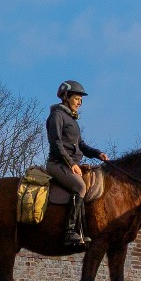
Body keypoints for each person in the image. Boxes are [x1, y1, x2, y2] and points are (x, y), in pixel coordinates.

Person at [45, 80, 108, 249]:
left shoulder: (72, 120)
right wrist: (71, 163)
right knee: (80, 186)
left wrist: (98, 154)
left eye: (81, 99)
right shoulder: (57, 116)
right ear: (66, 96)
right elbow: (56, 143)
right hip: (57, 164)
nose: (80, 102)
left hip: (70, 164)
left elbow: (81, 145)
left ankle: (83, 230)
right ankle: (70, 231)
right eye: (77, 98)